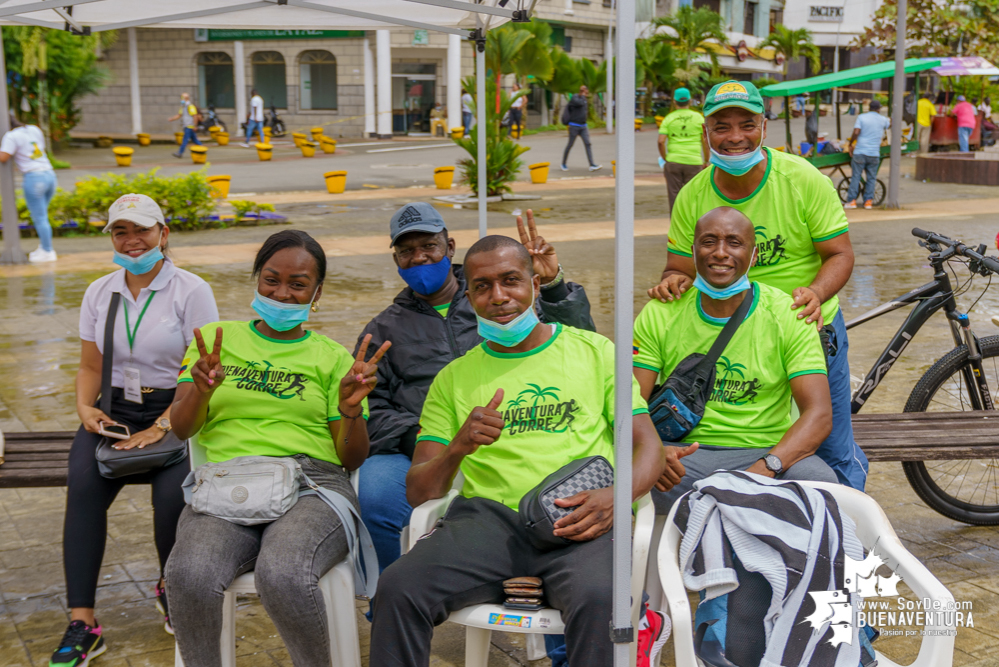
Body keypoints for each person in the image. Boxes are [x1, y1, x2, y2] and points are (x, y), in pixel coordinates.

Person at [369, 235, 679, 667]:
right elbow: (420, 491)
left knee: (601, 598)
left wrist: (616, 496)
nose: (499, 297)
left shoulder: (595, 353)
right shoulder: (455, 379)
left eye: (510, 280)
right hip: (487, 524)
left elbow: (649, 446)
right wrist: (458, 446)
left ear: (534, 282)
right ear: (469, 293)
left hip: (579, 518)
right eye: (482, 286)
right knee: (399, 588)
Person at [165, 230, 391, 667]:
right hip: (229, 482)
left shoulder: (330, 357)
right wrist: (201, 391)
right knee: (189, 573)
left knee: (283, 571)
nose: (282, 293)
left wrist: (350, 411)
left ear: (317, 293)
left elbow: (351, 458)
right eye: (271, 280)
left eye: (298, 284)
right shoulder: (214, 340)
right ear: (256, 278)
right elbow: (180, 428)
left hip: (313, 485)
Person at [647, 79, 867, 492]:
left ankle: (844, 537)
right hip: (733, 339)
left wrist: (816, 294)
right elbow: (677, 266)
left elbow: (840, 254)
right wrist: (672, 283)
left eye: (746, 124)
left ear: (764, 127)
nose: (734, 137)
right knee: (732, 436)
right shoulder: (693, 195)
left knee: (832, 447)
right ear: (705, 132)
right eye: (722, 126)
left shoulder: (802, 180)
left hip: (805, 329)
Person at [355, 202, 594, 573]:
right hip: (424, 441)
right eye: (406, 251)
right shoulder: (384, 329)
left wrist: (554, 284)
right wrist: (421, 436)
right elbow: (372, 407)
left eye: (428, 247)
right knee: (376, 494)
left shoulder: (497, 299)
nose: (419, 259)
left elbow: (580, 344)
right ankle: (386, 589)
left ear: (449, 247)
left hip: (519, 425)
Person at [49, 194, 219, 667]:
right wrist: (85, 407)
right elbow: (89, 364)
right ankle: (84, 623)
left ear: (163, 234)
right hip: (115, 409)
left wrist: (164, 424)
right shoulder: (99, 291)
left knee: (171, 499)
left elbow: (202, 370)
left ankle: (169, 586)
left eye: (141, 230)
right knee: (82, 486)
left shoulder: (191, 290)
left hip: (178, 410)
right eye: (121, 231)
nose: (132, 240)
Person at [634, 207, 837, 511]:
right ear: (692, 252)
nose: (720, 253)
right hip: (687, 455)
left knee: (821, 486)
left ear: (754, 256)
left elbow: (818, 415)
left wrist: (763, 469)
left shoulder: (788, 313)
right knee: (641, 479)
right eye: (708, 242)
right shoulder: (662, 311)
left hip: (765, 451)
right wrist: (655, 451)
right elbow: (631, 401)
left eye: (734, 242)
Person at [0, 112, 58, 262]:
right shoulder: (33, 129)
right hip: (49, 174)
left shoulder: (10, 136)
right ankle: (45, 247)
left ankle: (47, 251)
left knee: (40, 217)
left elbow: (4, 157)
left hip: (34, 178)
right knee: (43, 216)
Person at [658, 87, 707, 210]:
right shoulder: (698, 118)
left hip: (673, 161)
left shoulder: (669, 118)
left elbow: (660, 141)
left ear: (674, 102)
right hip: (694, 162)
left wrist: (666, 158)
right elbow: (706, 141)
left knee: (674, 196)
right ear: (690, 101)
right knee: (694, 196)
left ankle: (675, 226)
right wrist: (706, 160)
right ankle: (693, 226)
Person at [844, 98, 890, 210]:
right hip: (874, 153)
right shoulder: (883, 119)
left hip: (860, 151)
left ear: (869, 108)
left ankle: (851, 201)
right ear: (879, 109)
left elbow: (856, 132)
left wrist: (851, 143)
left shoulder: (862, 117)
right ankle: (868, 202)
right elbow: (890, 124)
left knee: (856, 176)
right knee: (871, 178)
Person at [560, 85, 601, 172]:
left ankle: (591, 164)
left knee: (588, 144)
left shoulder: (583, 99)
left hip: (583, 127)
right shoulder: (575, 98)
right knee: (570, 145)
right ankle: (563, 163)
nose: (586, 95)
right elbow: (579, 103)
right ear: (582, 91)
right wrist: (582, 94)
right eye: (586, 92)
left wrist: (583, 96)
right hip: (574, 126)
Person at [168, 92, 202, 158]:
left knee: (185, 140)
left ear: (186, 98)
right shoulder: (183, 107)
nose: (181, 100)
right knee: (195, 140)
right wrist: (172, 119)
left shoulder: (190, 106)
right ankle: (203, 149)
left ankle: (180, 153)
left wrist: (195, 125)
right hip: (187, 126)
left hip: (190, 126)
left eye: (181, 98)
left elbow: (195, 116)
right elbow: (179, 115)